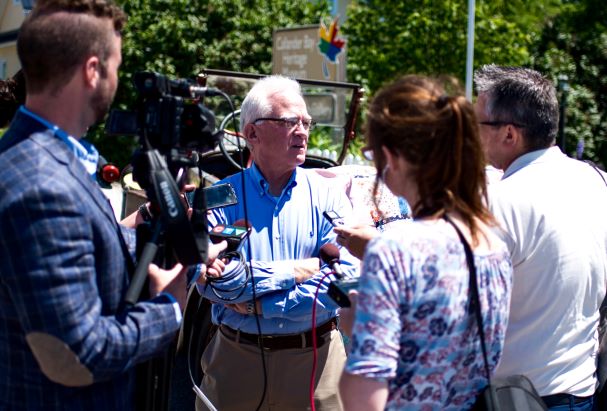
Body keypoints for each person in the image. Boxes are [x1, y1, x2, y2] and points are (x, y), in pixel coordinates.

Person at [0, 1, 224, 409]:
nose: (117, 80)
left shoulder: (37, 158)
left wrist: (149, 231)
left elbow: (75, 252)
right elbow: (76, 355)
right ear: (92, 71)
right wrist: (170, 306)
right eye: (116, 66)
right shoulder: (42, 184)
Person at [338, 75, 513, 410]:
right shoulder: (491, 244)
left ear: (393, 157)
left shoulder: (394, 250)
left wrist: (359, 327)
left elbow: (364, 397)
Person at [194, 75, 359, 411]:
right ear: (251, 133)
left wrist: (260, 305)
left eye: (306, 122)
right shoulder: (219, 197)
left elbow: (345, 277)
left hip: (318, 363)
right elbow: (213, 280)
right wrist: (296, 271)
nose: (302, 131)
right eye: (289, 122)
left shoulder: (329, 196)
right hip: (237, 362)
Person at [474, 64, 607, 410]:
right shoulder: (596, 180)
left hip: (517, 398)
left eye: (477, 125)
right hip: (582, 388)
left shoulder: (502, 201)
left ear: (508, 134)